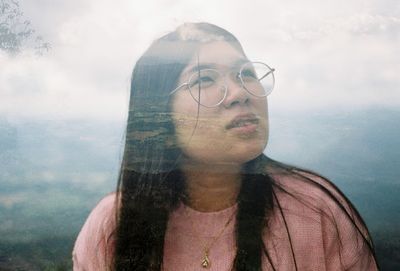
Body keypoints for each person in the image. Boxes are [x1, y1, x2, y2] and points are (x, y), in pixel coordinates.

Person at [72, 22, 379, 271]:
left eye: (246, 73)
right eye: (204, 79)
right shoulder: (113, 227)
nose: (239, 93)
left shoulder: (316, 212)